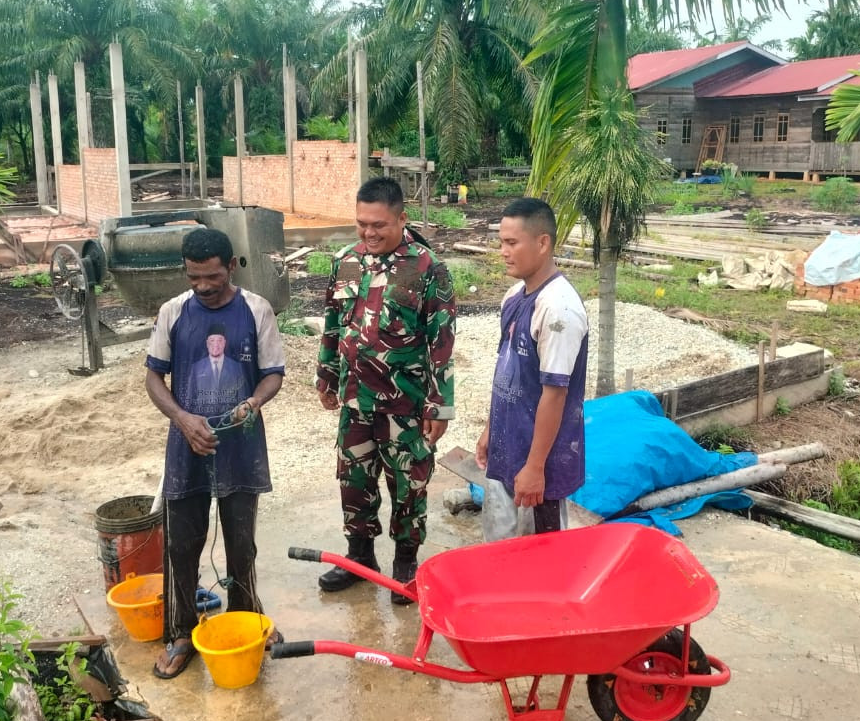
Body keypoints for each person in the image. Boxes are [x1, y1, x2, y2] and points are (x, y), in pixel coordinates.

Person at [144, 227, 285, 678]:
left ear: (232, 267)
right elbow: (153, 378)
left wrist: (254, 402)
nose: (203, 286)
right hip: (186, 447)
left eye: (212, 277)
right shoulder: (173, 312)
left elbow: (273, 373)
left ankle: (247, 615)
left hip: (241, 445)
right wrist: (183, 419)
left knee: (242, 544)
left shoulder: (257, 310)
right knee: (182, 545)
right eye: (194, 278)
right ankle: (182, 631)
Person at [316, 177, 455, 604]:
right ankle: (360, 558)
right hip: (355, 401)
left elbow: (442, 342)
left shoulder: (428, 269)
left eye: (378, 225)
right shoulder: (345, 261)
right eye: (362, 223)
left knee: (408, 486)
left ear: (401, 219)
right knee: (353, 482)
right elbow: (333, 323)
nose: (369, 232)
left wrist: (439, 405)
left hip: (405, 405)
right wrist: (326, 375)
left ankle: (405, 565)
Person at [475, 197, 589, 541]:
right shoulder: (514, 296)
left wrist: (536, 467)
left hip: (538, 466)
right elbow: (507, 373)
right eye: (501, 243)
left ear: (542, 243)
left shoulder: (559, 310)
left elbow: (555, 395)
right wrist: (491, 429)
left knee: (538, 555)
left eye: (512, 243)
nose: (503, 252)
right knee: (498, 549)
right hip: (506, 450)